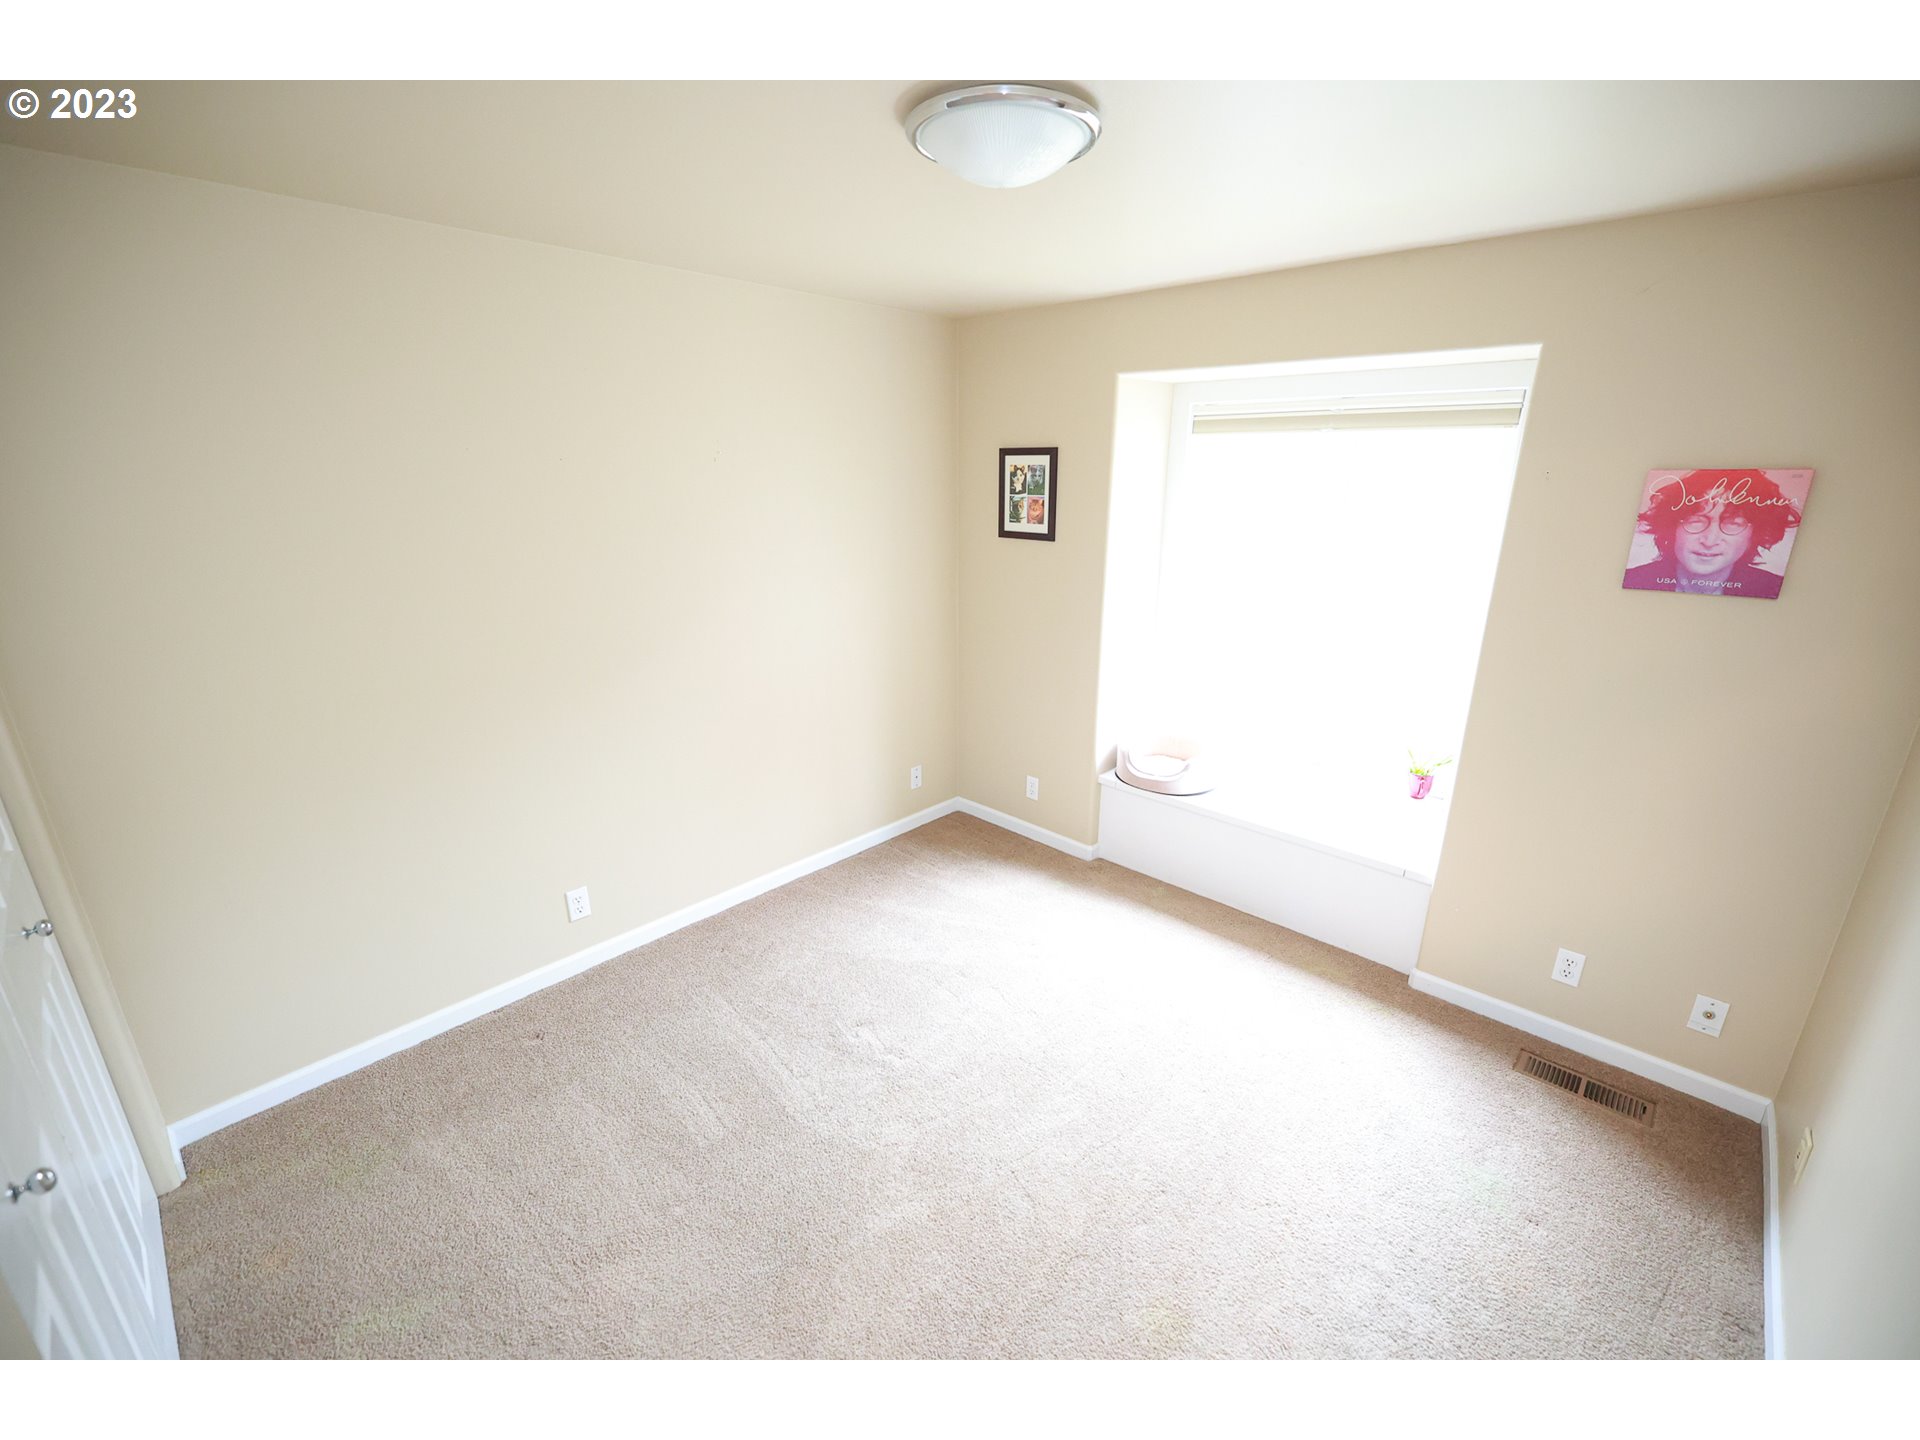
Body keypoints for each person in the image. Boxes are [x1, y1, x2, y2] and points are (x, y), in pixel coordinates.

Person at [1622, 470, 1802, 599]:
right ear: (1672, 527)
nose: (1709, 540)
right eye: (1696, 521)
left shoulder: (1770, 588)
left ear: (1755, 534)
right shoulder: (1634, 580)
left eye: (1732, 523)